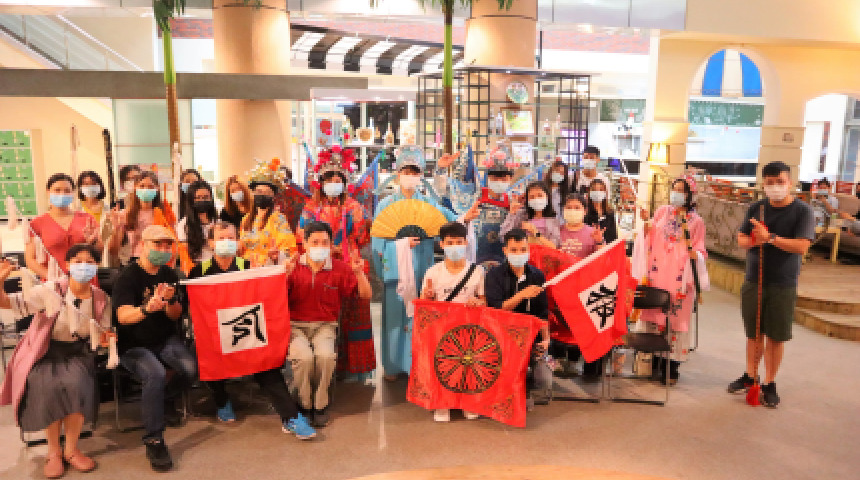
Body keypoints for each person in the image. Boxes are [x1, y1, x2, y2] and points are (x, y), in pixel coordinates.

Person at [187, 221, 316, 439]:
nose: (226, 242)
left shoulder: (247, 267)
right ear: (211, 243)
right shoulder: (198, 272)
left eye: (230, 238)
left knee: (266, 363)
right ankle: (221, 401)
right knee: (204, 353)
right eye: (221, 238)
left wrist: (278, 269)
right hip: (216, 334)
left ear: (238, 242)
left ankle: (291, 417)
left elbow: (266, 294)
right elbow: (193, 308)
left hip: (247, 331)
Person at [0, 245, 112, 478]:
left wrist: (106, 339)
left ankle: (71, 450)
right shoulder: (51, 290)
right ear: (67, 265)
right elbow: (7, 303)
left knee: (77, 385)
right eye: (78, 261)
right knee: (48, 387)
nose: (84, 266)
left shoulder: (101, 298)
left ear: (97, 266)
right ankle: (53, 452)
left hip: (77, 352)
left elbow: (103, 332)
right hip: (44, 351)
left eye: (90, 261)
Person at [371, 147, 476, 380]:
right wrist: (400, 245)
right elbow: (378, 241)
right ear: (398, 174)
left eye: (415, 172)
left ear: (420, 176)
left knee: (422, 313)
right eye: (406, 171)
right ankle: (393, 365)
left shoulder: (429, 204)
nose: (410, 176)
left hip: (423, 266)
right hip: (396, 271)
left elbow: (449, 224)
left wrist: (465, 218)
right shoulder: (385, 205)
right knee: (396, 316)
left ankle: (418, 364)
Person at [112, 225, 197, 472]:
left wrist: (170, 301)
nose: (163, 249)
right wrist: (146, 309)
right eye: (157, 244)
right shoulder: (127, 277)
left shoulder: (170, 274)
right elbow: (122, 317)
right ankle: (154, 439)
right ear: (142, 246)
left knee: (191, 368)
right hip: (133, 345)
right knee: (155, 373)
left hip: (165, 340)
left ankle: (164, 399)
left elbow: (175, 315)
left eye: (167, 245)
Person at [729, 161, 814, 408]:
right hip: (754, 279)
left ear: (790, 183)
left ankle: (769, 382)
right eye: (770, 182)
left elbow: (802, 246)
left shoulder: (803, 211)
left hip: (782, 282)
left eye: (780, 182)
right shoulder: (757, 208)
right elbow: (741, 239)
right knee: (753, 333)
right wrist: (755, 241)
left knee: (776, 336)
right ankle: (750, 375)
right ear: (763, 184)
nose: (775, 186)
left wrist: (771, 238)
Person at [298, 147, 375, 378]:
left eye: (337, 180)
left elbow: (362, 237)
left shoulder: (353, 206)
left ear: (344, 182)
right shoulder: (311, 207)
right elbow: (301, 236)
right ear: (320, 183)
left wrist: (362, 225)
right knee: (322, 310)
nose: (333, 183)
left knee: (353, 311)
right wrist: (326, 247)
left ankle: (350, 366)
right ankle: (321, 363)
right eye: (329, 180)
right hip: (319, 262)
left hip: (349, 262)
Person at [286, 221, 372, 428]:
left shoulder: (340, 268)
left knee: (325, 357)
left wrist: (359, 273)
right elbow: (275, 300)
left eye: (325, 242)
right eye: (315, 242)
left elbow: (366, 295)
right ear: (305, 243)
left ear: (331, 245)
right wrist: (285, 275)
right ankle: (304, 404)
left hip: (325, 326)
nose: (320, 246)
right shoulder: (293, 266)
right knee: (304, 358)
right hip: (295, 326)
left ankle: (320, 404)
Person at [637, 177, 706, 385]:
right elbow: (650, 237)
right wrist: (646, 225)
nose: (676, 194)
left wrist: (696, 255)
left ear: (689, 195)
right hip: (657, 274)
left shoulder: (696, 221)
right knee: (655, 316)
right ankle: (654, 361)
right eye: (674, 189)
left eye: (681, 190)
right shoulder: (662, 212)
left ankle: (672, 366)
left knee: (675, 320)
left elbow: (700, 250)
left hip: (679, 278)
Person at [419, 221, 486, 422]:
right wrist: (427, 297)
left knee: (468, 365)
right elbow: (423, 305)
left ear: (466, 242)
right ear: (441, 244)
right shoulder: (433, 272)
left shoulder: (477, 271)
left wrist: (478, 302)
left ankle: (467, 402)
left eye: (459, 241)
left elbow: (484, 301)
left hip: (469, 329)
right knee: (444, 365)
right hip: (442, 330)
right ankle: (442, 403)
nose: (455, 246)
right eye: (450, 242)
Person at [484, 229, 551, 405]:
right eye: (514, 250)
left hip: (531, 337)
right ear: (505, 251)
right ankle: (507, 391)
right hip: (502, 336)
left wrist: (546, 340)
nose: (519, 253)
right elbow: (496, 309)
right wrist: (521, 295)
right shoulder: (494, 275)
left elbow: (543, 312)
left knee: (544, 380)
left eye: (523, 249)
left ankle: (524, 387)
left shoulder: (537, 275)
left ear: (528, 250)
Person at [26, 173, 100, 280]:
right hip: (53, 283)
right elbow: (30, 260)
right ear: (48, 192)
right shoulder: (36, 224)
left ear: (73, 193)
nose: (62, 194)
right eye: (57, 190)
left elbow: (99, 253)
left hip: (85, 280)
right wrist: (52, 277)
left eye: (67, 191)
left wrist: (93, 243)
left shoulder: (87, 219)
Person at [108, 171, 177, 266]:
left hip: (160, 260)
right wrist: (116, 229)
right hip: (136, 261)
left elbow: (173, 243)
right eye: (142, 186)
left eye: (150, 187)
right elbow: (113, 251)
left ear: (157, 188)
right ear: (135, 188)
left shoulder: (165, 213)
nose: (146, 190)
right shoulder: (126, 214)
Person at [239, 178, 297, 268]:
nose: (263, 195)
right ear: (253, 194)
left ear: (273, 196)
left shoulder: (279, 219)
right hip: (246, 267)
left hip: (266, 267)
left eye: (267, 192)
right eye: (259, 192)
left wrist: (276, 255)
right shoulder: (246, 219)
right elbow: (241, 247)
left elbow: (288, 246)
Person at [500, 181, 559, 248]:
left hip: (544, 254)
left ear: (547, 197)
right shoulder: (521, 216)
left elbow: (554, 247)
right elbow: (504, 237)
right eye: (532, 197)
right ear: (527, 200)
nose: (536, 199)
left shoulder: (553, 221)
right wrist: (511, 214)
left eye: (540, 195)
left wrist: (535, 232)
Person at [177, 180, 217, 274]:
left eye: (206, 197)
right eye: (198, 198)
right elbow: (185, 253)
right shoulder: (184, 224)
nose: (202, 200)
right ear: (191, 200)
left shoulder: (217, 221)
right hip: (196, 269)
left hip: (216, 267)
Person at [558, 193, 605, 258]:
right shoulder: (557, 231)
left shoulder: (593, 233)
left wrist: (599, 242)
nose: (572, 211)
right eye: (569, 208)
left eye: (577, 208)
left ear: (585, 211)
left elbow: (603, 257)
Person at [584, 178, 618, 243]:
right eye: (594, 190)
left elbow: (613, 236)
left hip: (607, 247)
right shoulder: (585, 212)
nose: (597, 192)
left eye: (601, 190)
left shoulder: (610, 212)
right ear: (589, 192)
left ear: (605, 193)